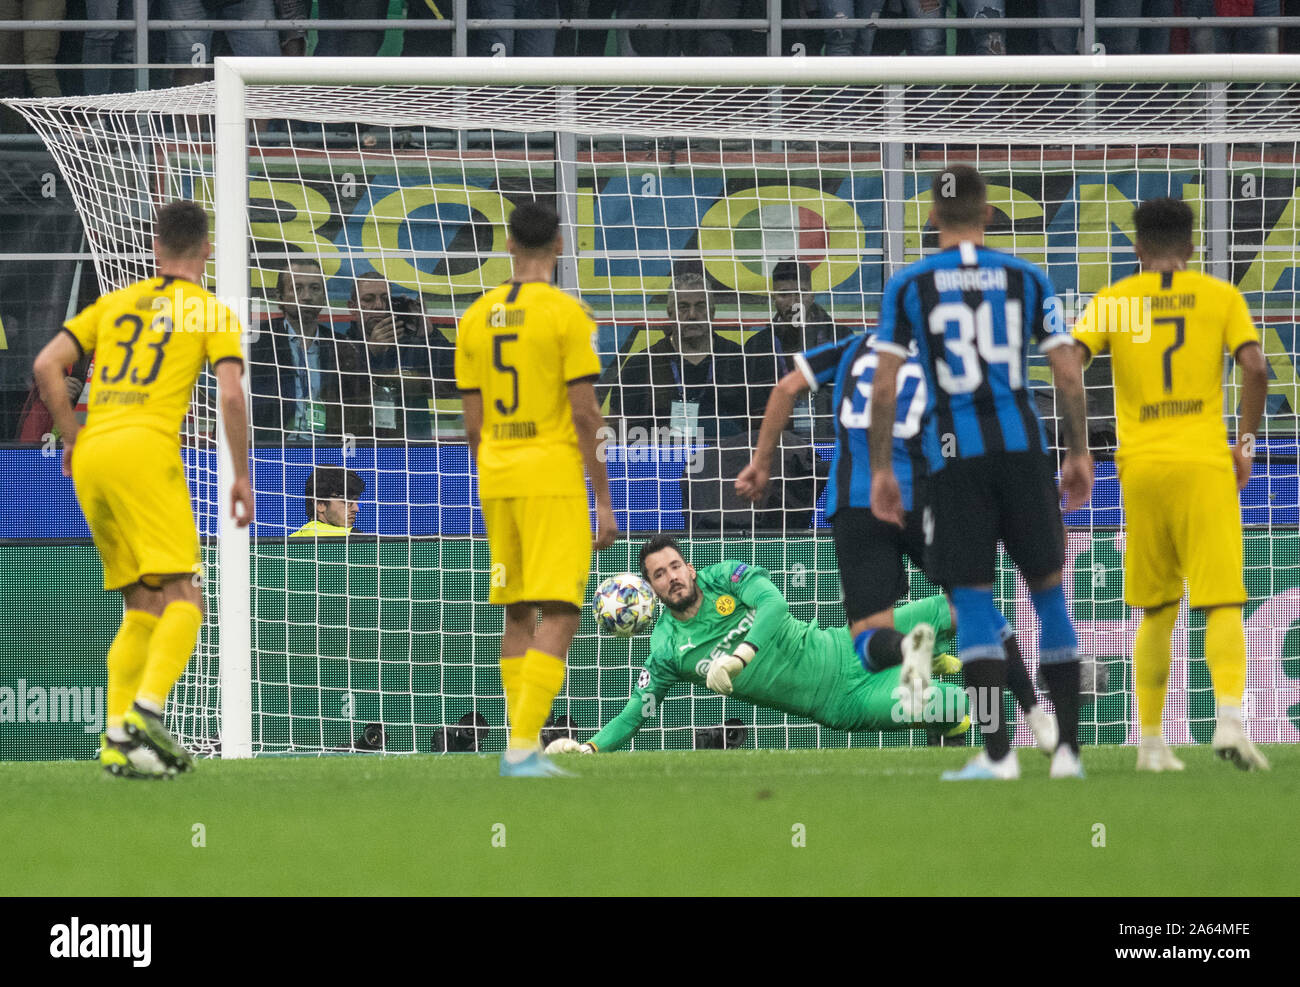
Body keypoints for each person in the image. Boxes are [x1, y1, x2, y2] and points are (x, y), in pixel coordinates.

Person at [737, 320, 1059, 754]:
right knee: (975, 612)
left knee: (869, 642)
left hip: (856, 505)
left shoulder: (852, 348)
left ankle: (912, 648)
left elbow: (785, 388)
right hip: (923, 502)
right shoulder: (950, 358)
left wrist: (760, 462)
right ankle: (1031, 715)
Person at [868, 165, 1093, 781]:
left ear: (934, 219)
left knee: (971, 605)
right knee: (1048, 594)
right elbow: (1068, 373)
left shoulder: (911, 284)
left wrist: (884, 466)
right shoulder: (1027, 276)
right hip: (1023, 452)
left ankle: (999, 757)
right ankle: (1068, 753)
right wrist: (1077, 452)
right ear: (989, 213)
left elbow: (886, 385)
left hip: (953, 461)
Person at [30, 200, 252, 779]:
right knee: (187, 594)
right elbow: (231, 395)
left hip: (95, 452)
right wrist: (243, 474)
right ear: (207, 249)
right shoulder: (209, 311)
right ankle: (145, 714)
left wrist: (70, 434)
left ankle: (115, 743)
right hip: (146, 450)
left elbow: (47, 364)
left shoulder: (114, 302)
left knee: (142, 601)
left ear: (155, 246)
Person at [1072, 197, 1270, 772]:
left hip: (1141, 466)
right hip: (1205, 462)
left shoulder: (1115, 302)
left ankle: (1153, 745)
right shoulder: (1219, 296)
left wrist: (1079, 443)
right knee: (1222, 599)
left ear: (1136, 247)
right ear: (1191, 247)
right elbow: (1255, 367)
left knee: (1157, 608)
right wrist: (1247, 443)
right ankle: (1229, 719)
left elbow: (1071, 363)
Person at [455, 199, 618, 777]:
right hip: (550, 475)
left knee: (518, 609)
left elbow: (471, 425)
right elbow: (585, 416)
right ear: (559, 246)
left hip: (496, 473)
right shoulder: (567, 315)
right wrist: (601, 496)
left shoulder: (476, 316)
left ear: (508, 246)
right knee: (564, 608)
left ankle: (518, 745)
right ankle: (522, 749)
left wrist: (495, 474)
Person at [545, 536, 970, 755]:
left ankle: (924, 658)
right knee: (958, 706)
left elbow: (774, 605)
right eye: (659, 574)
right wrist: (590, 748)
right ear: (652, 590)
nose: (671, 576)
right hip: (842, 701)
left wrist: (738, 656)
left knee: (961, 605)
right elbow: (635, 713)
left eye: (675, 565)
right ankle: (928, 689)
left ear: (690, 569)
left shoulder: (724, 576)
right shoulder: (667, 651)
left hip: (847, 644)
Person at [597, 270, 780, 445]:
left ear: (712, 312)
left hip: (728, 468)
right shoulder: (641, 366)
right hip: (660, 470)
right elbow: (615, 436)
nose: (692, 315)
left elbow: (762, 431)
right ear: (670, 313)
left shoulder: (741, 361)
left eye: (700, 306)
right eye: (683, 307)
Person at [249, 256, 361, 442]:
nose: (307, 296)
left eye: (314, 288)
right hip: (273, 448)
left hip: (327, 450)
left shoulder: (341, 347)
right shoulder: (258, 342)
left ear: (324, 296)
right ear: (280, 297)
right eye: (297, 288)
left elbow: (354, 411)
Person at [343, 272, 439, 440]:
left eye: (385, 299)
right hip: (361, 447)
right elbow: (343, 393)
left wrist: (429, 332)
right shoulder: (340, 346)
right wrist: (370, 353)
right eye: (368, 299)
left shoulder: (412, 345)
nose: (379, 306)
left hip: (413, 448)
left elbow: (454, 380)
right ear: (352, 307)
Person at [292, 466, 364, 537]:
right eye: (346, 500)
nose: (356, 508)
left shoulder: (292, 539)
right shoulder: (351, 537)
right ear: (320, 504)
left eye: (356, 501)